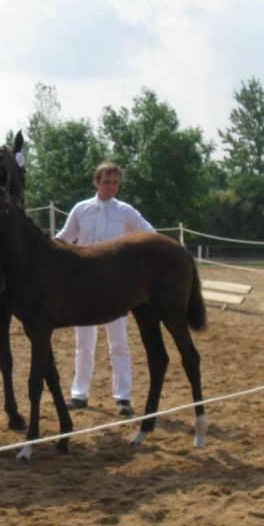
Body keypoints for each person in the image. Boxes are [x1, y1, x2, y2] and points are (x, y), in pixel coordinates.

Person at [55, 162, 154, 417]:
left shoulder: (126, 212)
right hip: (84, 284)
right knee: (83, 342)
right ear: (96, 182)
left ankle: (123, 397)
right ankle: (79, 394)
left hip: (115, 287)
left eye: (115, 182)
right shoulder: (81, 209)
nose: (111, 186)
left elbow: (148, 234)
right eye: (107, 181)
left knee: (118, 342)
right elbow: (65, 238)